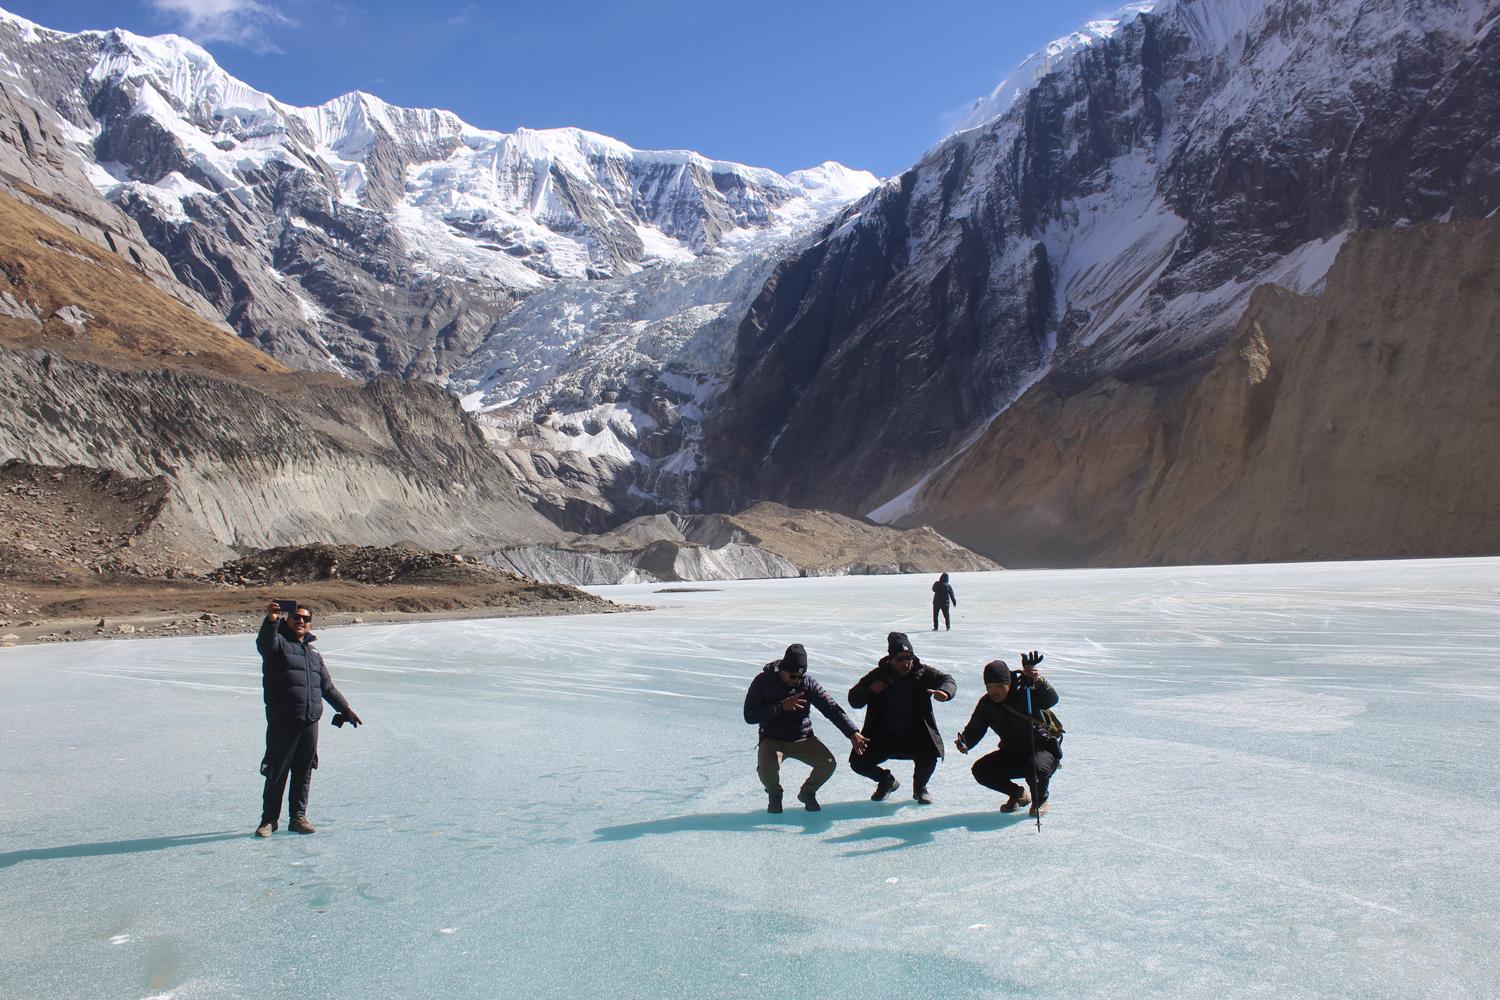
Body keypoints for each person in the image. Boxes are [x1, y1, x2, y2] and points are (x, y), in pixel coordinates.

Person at [254, 600, 362, 837]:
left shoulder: (313, 652)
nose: (301, 621)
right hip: (284, 720)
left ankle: (298, 818)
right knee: (277, 771)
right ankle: (268, 820)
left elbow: (327, 686)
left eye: (306, 619)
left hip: (310, 720)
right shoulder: (278, 644)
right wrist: (270, 621)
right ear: (287, 620)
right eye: (296, 617)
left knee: (304, 771)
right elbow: (264, 643)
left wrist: (346, 709)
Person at [743, 643, 869, 813]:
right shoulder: (763, 681)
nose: (796, 681)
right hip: (773, 740)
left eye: (800, 677)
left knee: (828, 764)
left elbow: (831, 708)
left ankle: (807, 793)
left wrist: (852, 732)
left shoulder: (807, 683)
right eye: (793, 676)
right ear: (782, 669)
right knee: (766, 771)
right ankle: (774, 794)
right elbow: (749, 715)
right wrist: (780, 707)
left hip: (803, 739)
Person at [847, 632, 956, 804]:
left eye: (909, 657)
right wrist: (869, 691)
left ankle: (920, 788)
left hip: (915, 736)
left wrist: (945, 691)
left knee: (929, 754)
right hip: (883, 736)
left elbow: (947, 679)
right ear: (890, 659)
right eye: (900, 658)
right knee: (857, 762)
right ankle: (886, 781)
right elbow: (853, 699)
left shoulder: (923, 673)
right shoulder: (878, 675)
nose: (905, 663)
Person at [954, 651, 1059, 817]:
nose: (993, 691)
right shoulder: (986, 703)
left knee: (1035, 768)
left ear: (1008, 683)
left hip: (1041, 751)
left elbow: (1051, 700)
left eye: (998, 686)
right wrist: (965, 742)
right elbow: (976, 728)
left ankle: (1040, 800)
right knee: (981, 770)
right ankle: (1018, 794)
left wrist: (1037, 681)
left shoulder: (1025, 691)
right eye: (989, 687)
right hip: (1012, 752)